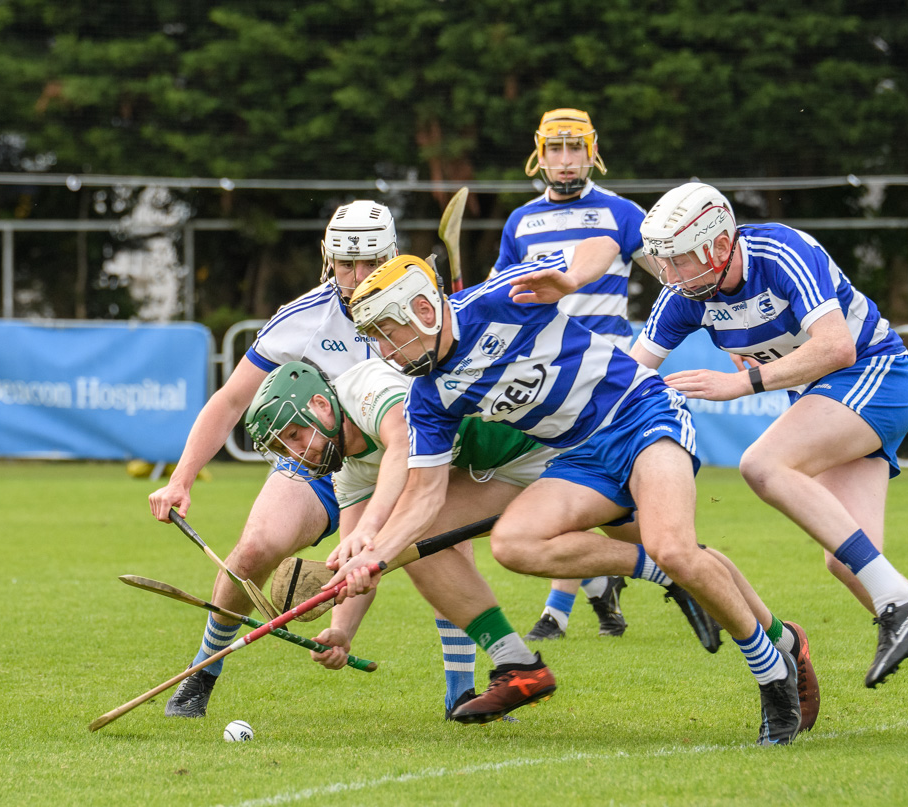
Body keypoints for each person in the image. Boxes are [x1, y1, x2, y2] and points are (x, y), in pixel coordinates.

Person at [329, 244, 805, 744]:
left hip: (642, 414)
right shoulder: (426, 396)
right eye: (374, 338)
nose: (384, 350)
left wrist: (573, 278)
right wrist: (373, 557)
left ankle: (773, 672)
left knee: (676, 548)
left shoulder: (499, 299)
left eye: (387, 332)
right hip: (578, 456)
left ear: (423, 310)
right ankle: (737, 613)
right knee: (514, 543)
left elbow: (602, 245)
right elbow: (424, 498)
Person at [632, 182, 908, 740]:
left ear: (719, 244)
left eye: (678, 259)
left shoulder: (782, 252)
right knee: (848, 562)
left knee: (762, 464)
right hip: (830, 401)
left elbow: (837, 347)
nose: (669, 274)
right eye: (663, 260)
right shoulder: (683, 298)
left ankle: (900, 602)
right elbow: (633, 374)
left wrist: (739, 383)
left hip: (875, 376)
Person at [147, 200, 398, 719]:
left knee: (440, 555)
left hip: (401, 460)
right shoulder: (304, 317)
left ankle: (464, 689)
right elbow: (231, 400)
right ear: (328, 258)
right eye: (344, 264)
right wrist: (181, 480)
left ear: (389, 257)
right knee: (255, 548)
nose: (355, 278)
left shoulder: (422, 307)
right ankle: (202, 673)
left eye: (368, 263)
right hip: (320, 459)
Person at [499, 107, 719, 650]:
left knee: (591, 490)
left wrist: (727, 331)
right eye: (556, 148)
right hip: (549, 382)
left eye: (576, 148)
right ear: (540, 152)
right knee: (577, 490)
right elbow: (503, 296)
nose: (567, 160)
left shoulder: (622, 213)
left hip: (613, 378)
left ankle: (569, 604)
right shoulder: (519, 222)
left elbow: (678, 277)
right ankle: (630, 578)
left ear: (592, 150)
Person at [244, 357, 565, 721]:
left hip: (546, 439)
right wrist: (340, 632)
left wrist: (372, 527)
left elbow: (402, 438)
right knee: (422, 540)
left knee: (638, 537)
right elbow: (354, 561)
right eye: (285, 447)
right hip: (499, 471)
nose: (297, 452)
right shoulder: (349, 472)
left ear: (320, 405)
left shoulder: (363, 388)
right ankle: (517, 665)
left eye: (295, 435)